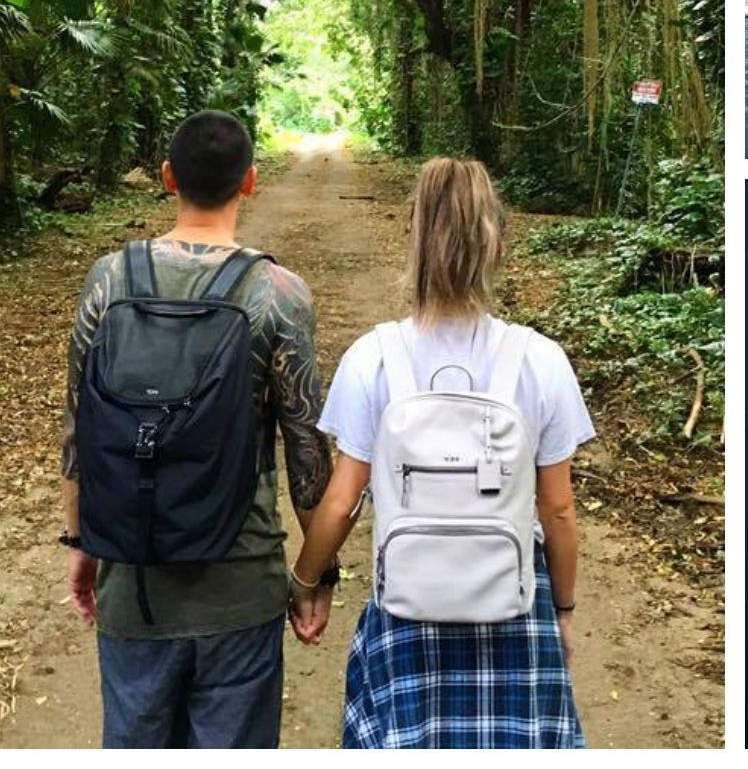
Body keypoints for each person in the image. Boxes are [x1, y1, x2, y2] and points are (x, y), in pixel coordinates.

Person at [287, 157, 595, 749]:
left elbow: (344, 499)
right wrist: (564, 609)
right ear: (495, 240)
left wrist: (308, 581)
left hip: (407, 607)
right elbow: (557, 511)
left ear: (416, 239)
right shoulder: (539, 360)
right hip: (514, 603)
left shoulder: (374, 358)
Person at [60, 110, 334, 748]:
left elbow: (77, 425)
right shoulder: (280, 293)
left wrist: (81, 539)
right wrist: (315, 575)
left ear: (165, 177)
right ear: (250, 183)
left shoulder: (109, 281)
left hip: (133, 575)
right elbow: (305, 450)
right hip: (240, 586)